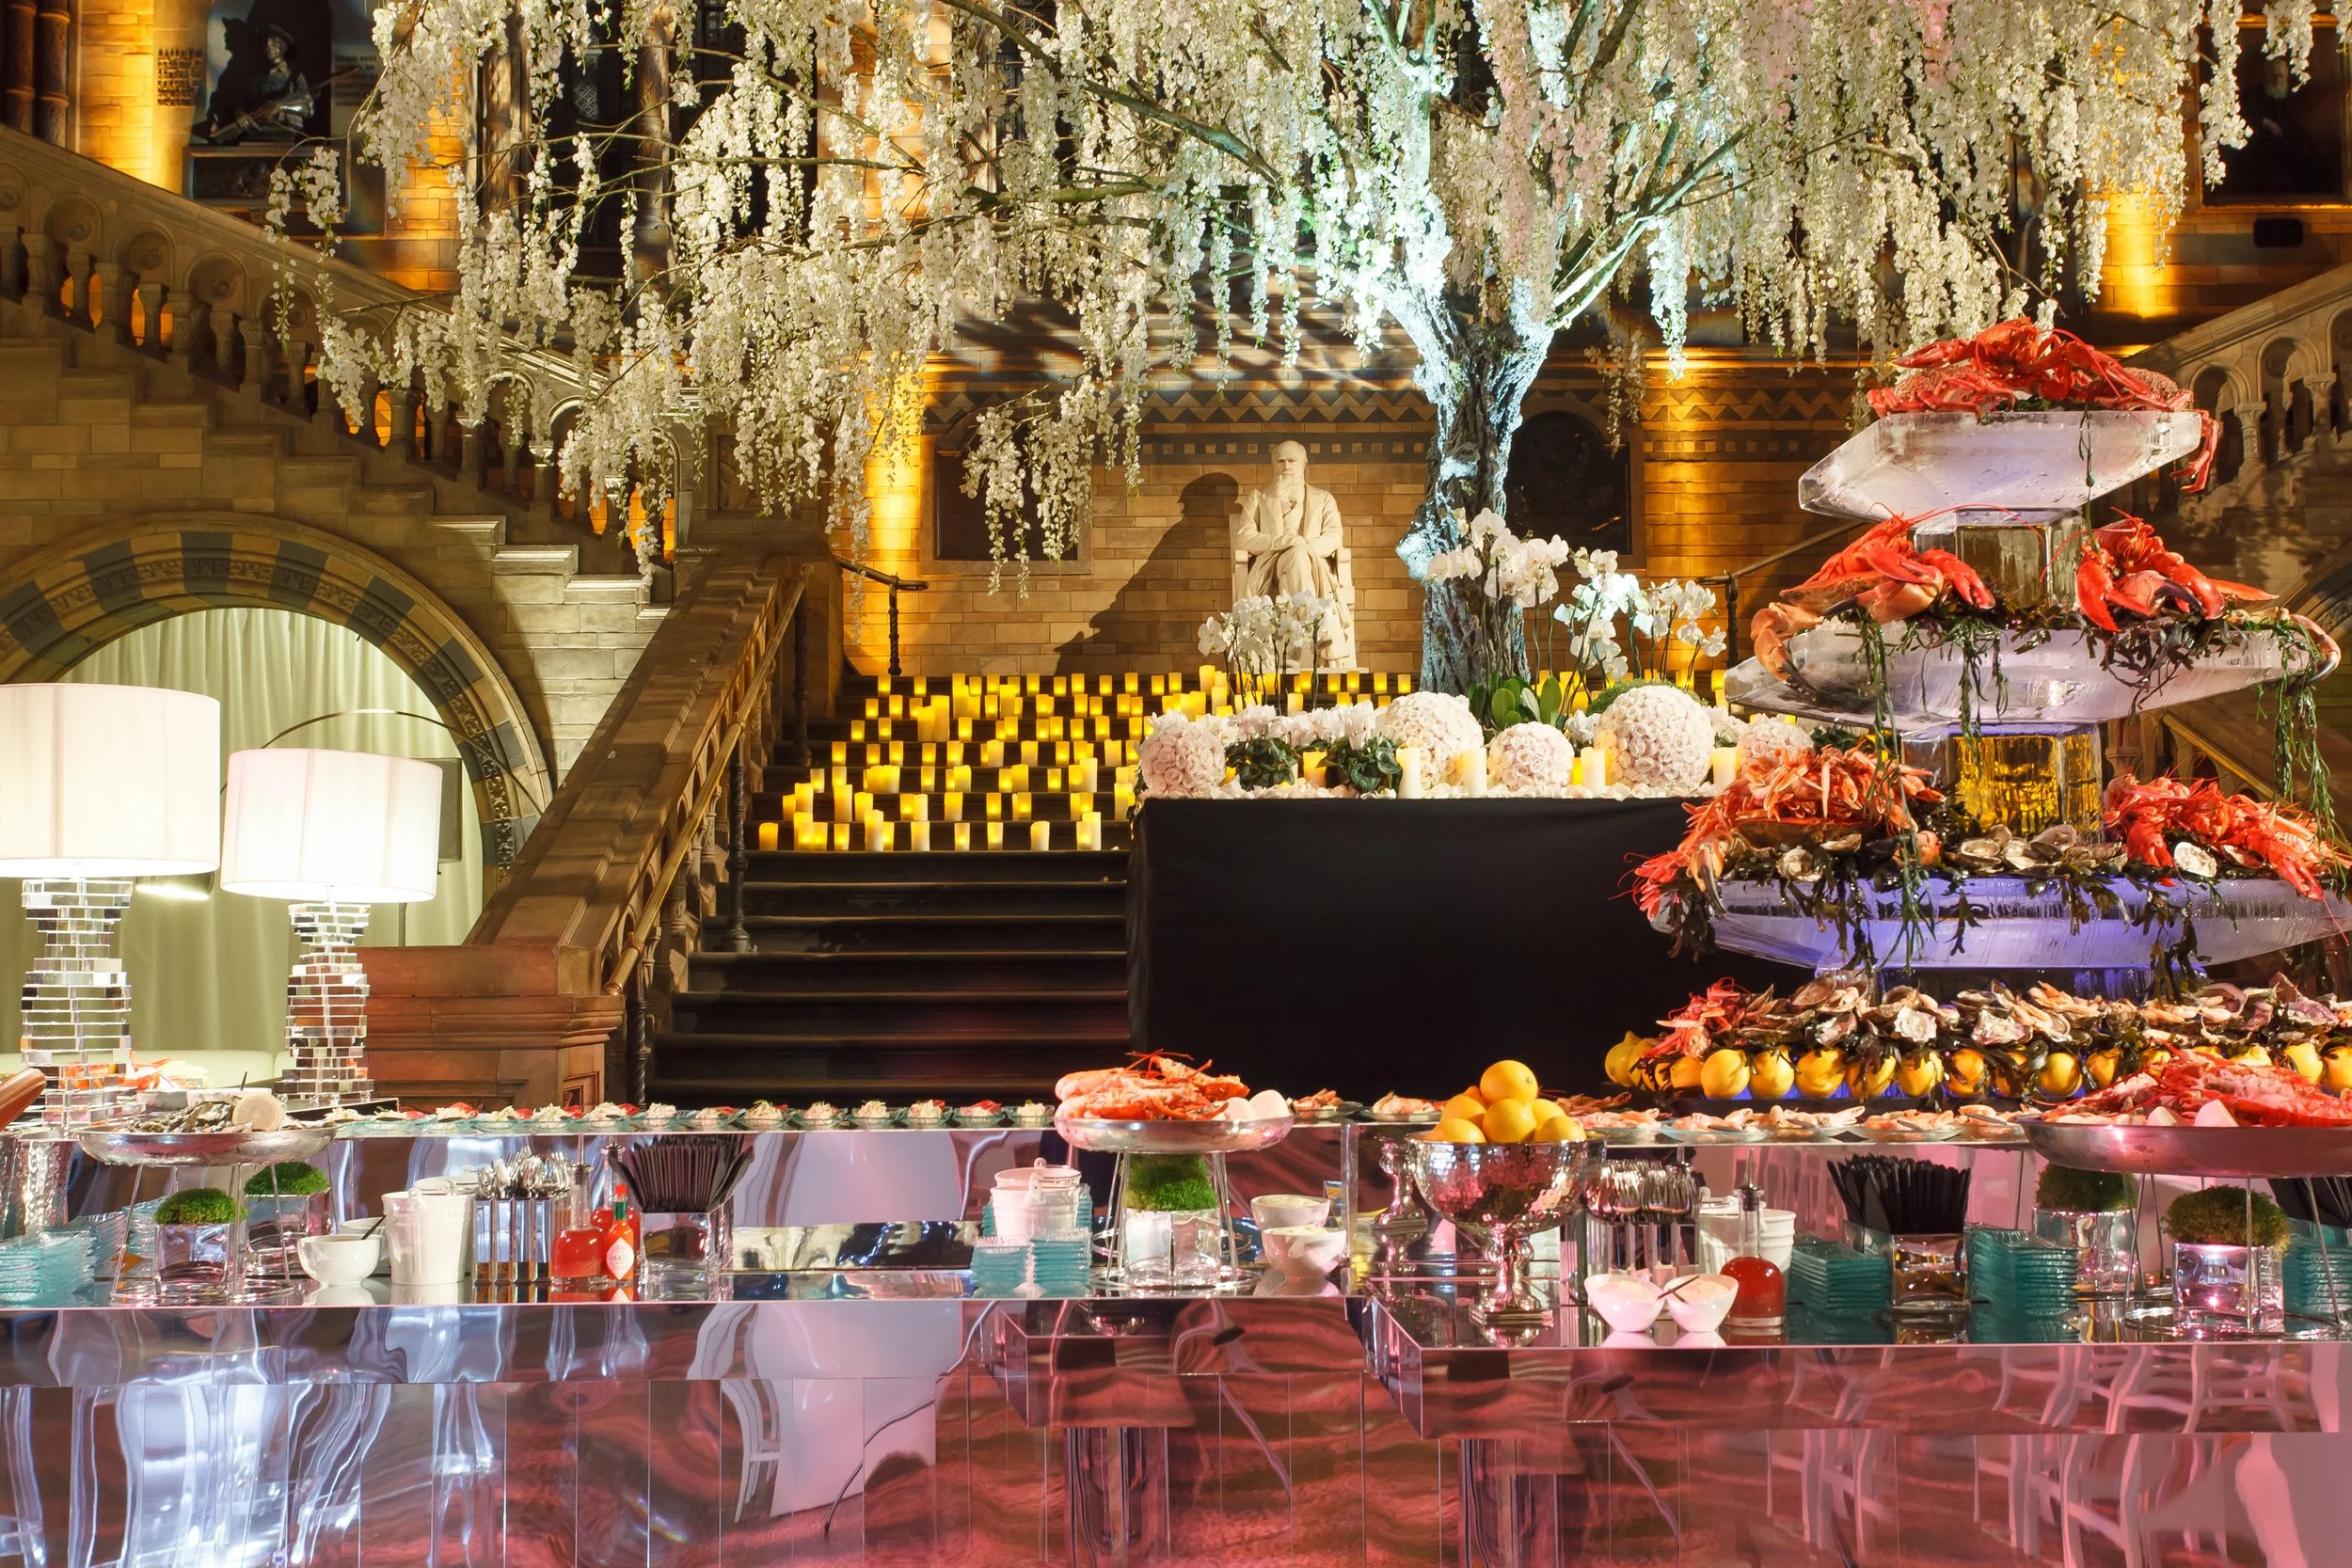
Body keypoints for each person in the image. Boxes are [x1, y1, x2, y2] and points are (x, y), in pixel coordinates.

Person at [1232, 440, 1356, 665]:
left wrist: (1303, 547)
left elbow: (1334, 536)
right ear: (1273, 465)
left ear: (1304, 464)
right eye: (1280, 461)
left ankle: (1294, 649)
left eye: (1292, 460)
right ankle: (1315, 627)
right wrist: (1281, 541)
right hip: (1272, 566)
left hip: (1313, 567)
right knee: (1296, 553)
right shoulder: (1258, 497)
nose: (1286, 466)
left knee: (1299, 555)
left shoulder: (1324, 498)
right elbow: (1244, 535)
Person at [194, 21, 315, 145]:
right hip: (253, 132)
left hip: (284, 132)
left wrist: (281, 106)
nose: (267, 47)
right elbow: (240, 101)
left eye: (273, 44)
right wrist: (238, 113)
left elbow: (308, 107)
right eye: (266, 43)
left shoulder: (294, 76)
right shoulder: (255, 76)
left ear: (281, 47)